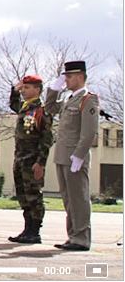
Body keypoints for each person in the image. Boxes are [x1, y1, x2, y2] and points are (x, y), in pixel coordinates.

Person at [45, 61, 99, 251]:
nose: (66, 80)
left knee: (79, 199)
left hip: (75, 157)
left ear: (79, 76)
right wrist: (54, 89)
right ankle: (73, 236)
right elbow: (50, 107)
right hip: (62, 155)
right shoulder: (69, 99)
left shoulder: (88, 99)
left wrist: (79, 155)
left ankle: (82, 238)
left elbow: (89, 132)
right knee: (69, 199)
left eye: (68, 76)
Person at [8, 75, 53, 244]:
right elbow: (13, 103)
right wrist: (15, 89)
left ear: (37, 89)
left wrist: (40, 162)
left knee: (34, 195)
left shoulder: (42, 110)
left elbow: (46, 139)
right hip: (20, 159)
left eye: (27, 87)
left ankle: (35, 230)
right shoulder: (24, 108)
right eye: (23, 88)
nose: (24, 90)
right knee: (23, 195)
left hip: (32, 160)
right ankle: (27, 228)